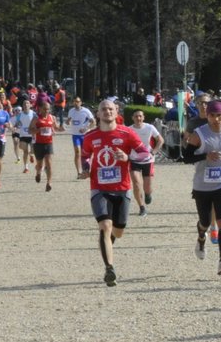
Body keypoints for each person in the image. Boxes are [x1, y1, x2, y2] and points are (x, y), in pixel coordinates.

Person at [78, 99, 143, 286]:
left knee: (118, 230)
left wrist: (128, 157)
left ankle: (107, 244)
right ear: (97, 114)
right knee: (105, 226)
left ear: (116, 112)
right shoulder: (91, 136)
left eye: (110, 109)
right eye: (103, 109)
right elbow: (85, 156)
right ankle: (109, 269)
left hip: (122, 188)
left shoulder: (127, 133)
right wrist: (86, 168)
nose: (107, 112)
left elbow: (145, 154)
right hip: (99, 187)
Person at [186, 100, 221, 277]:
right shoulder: (198, 135)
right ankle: (201, 238)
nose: (216, 119)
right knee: (204, 221)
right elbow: (186, 157)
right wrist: (205, 155)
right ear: (207, 116)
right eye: (212, 116)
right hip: (202, 185)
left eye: (219, 115)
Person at [126, 108, 164, 216]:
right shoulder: (128, 129)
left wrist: (154, 152)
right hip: (134, 160)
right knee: (136, 184)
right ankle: (141, 207)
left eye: (140, 116)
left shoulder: (150, 127)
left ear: (143, 117)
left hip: (148, 160)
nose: (138, 118)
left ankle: (147, 194)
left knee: (147, 187)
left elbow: (160, 140)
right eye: (136, 116)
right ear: (132, 118)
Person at [63, 96, 94, 172]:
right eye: (74, 101)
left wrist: (86, 129)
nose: (76, 103)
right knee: (77, 152)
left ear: (80, 102)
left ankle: (86, 168)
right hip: (75, 135)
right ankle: (78, 172)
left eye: (77, 101)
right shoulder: (71, 111)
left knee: (85, 153)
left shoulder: (86, 111)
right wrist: (67, 122)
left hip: (85, 135)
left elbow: (93, 122)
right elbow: (69, 120)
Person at [31, 99, 57, 190]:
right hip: (38, 144)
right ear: (40, 109)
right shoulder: (36, 118)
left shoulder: (52, 118)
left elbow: (55, 127)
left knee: (49, 163)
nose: (47, 111)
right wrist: (38, 130)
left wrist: (56, 130)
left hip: (48, 143)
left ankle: (49, 183)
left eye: (48, 109)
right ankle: (38, 173)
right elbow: (30, 130)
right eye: (45, 109)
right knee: (40, 165)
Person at [13, 97, 34, 176]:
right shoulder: (19, 115)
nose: (26, 105)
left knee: (33, 150)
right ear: (22, 106)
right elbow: (17, 123)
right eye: (24, 104)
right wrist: (15, 127)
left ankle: (31, 155)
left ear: (30, 105)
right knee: (25, 151)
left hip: (32, 135)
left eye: (27, 103)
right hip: (23, 135)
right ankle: (26, 167)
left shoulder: (33, 113)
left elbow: (37, 122)